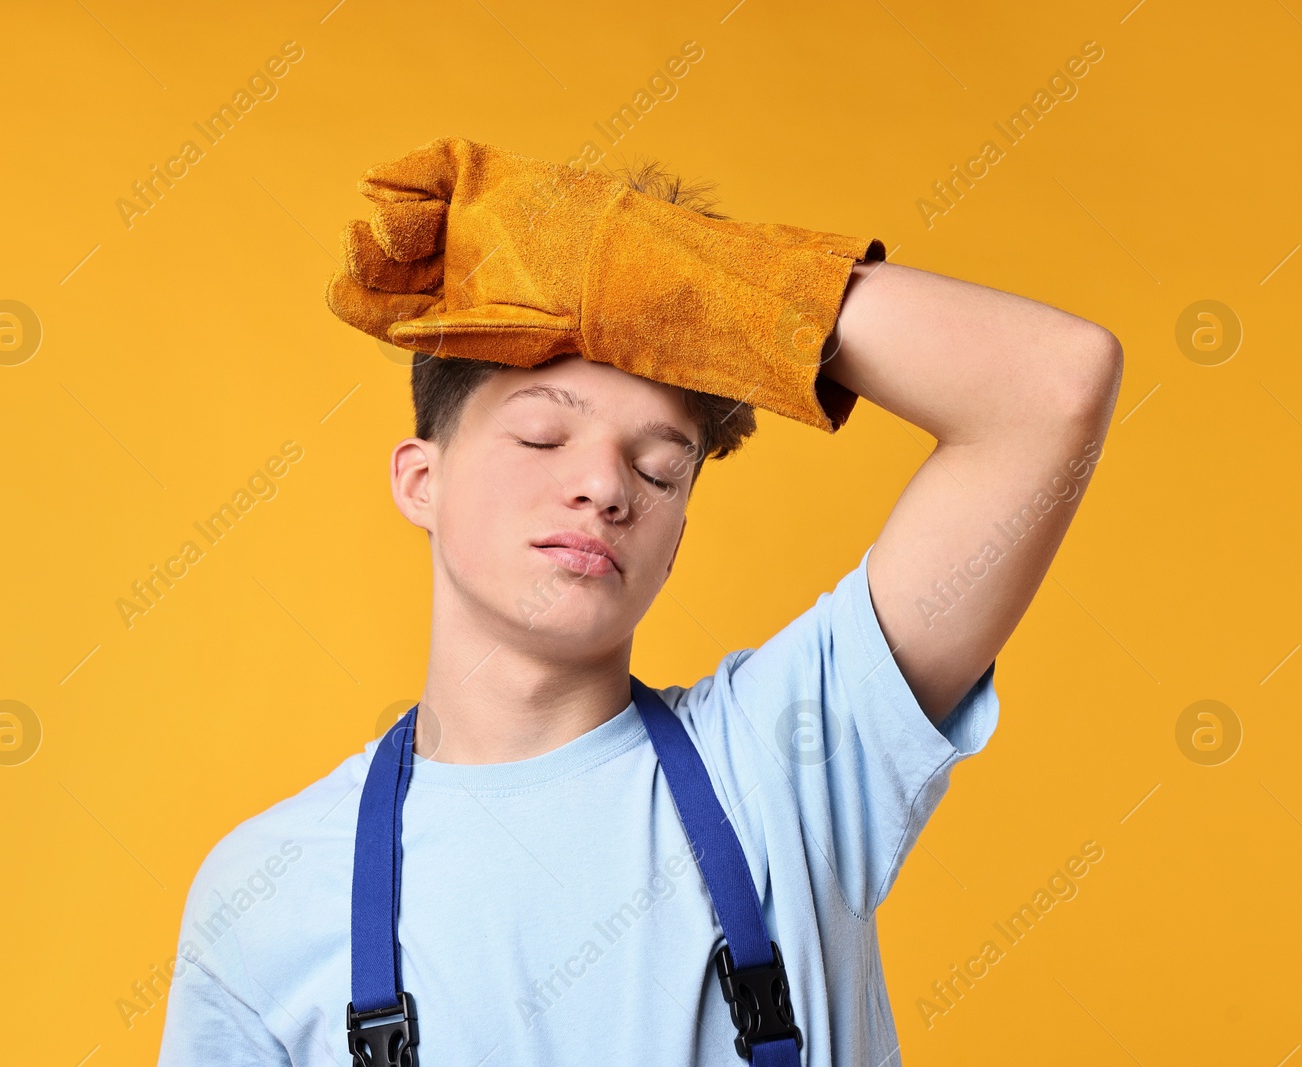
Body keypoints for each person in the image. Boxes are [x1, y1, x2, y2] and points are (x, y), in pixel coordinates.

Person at [156, 137, 1122, 1066]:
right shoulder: (265, 894)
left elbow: (1049, 388)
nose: (605, 488)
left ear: (677, 537)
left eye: (660, 470)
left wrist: (656, 267)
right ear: (421, 481)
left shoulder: (796, 760)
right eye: (543, 438)